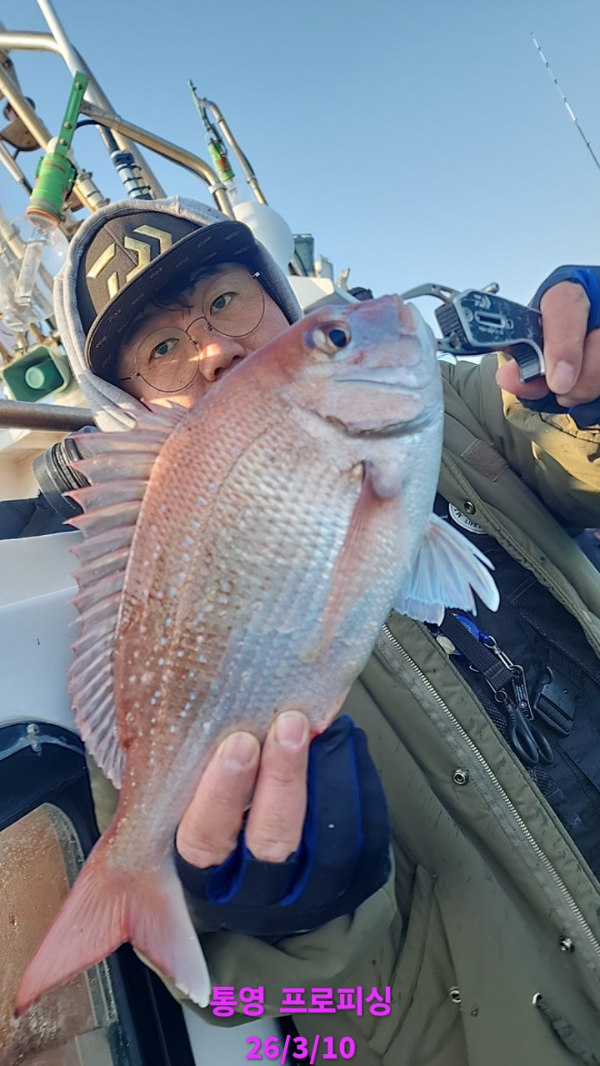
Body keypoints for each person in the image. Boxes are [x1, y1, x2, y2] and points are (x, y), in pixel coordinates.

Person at [26, 196, 600, 1062]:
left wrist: (583, 393)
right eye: (163, 349)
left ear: (276, 296)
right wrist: (275, 911)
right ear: (133, 398)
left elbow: (569, 452)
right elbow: (236, 994)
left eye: (224, 301)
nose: (213, 350)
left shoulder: (461, 406)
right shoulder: (144, 586)